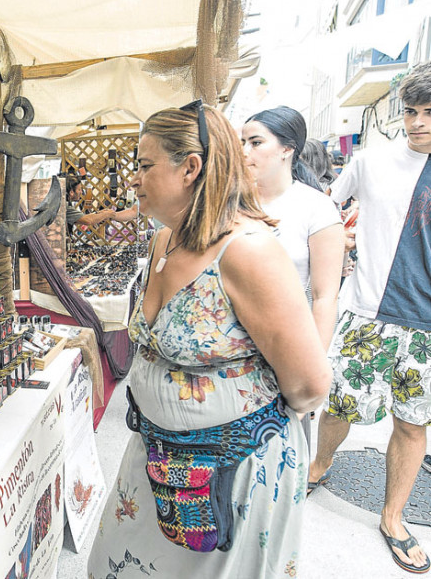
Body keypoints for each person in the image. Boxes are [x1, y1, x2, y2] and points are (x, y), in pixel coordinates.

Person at [87, 101, 330, 578]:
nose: (133, 179)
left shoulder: (249, 252)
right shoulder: (164, 240)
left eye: (144, 165)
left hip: (229, 473)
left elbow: (309, 384)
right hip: (157, 459)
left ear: (190, 168)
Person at [309, 61, 431, 574]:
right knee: (339, 406)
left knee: (413, 424)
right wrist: (339, 244)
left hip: (427, 330)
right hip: (368, 315)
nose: (418, 121)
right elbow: (318, 212)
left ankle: (393, 516)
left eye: (429, 112)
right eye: (411, 111)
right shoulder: (371, 161)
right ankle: (318, 465)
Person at [242, 107, 345, 453]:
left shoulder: (316, 208)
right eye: (242, 142)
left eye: (256, 142)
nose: (245, 152)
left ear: (287, 148)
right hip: (232, 350)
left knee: (282, 456)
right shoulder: (231, 203)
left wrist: (312, 369)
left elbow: (325, 295)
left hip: (286, 349)